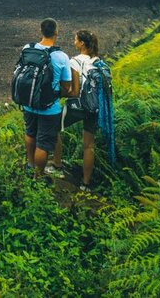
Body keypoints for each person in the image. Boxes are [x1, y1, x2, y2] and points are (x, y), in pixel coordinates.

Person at [22, 18, 74, 179]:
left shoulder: (27, 48)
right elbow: (66, 85)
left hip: (29, 102)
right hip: (49, 108)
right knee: (43, 143)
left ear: (41, 31)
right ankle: (38, 176)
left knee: (30, 133)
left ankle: (30, 165)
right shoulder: (61, 56)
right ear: (56, 32)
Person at [52, 29, 100, 190]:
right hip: (95, 107)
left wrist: (58, 93)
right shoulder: (98, 62)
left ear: (81, 44)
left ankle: (57, 166)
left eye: (75, 40)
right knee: (89, 145)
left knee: (53, 128)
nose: (74, 42)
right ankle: (85, 184)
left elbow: (74, 91)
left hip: (78, 105)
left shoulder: (75, 61)